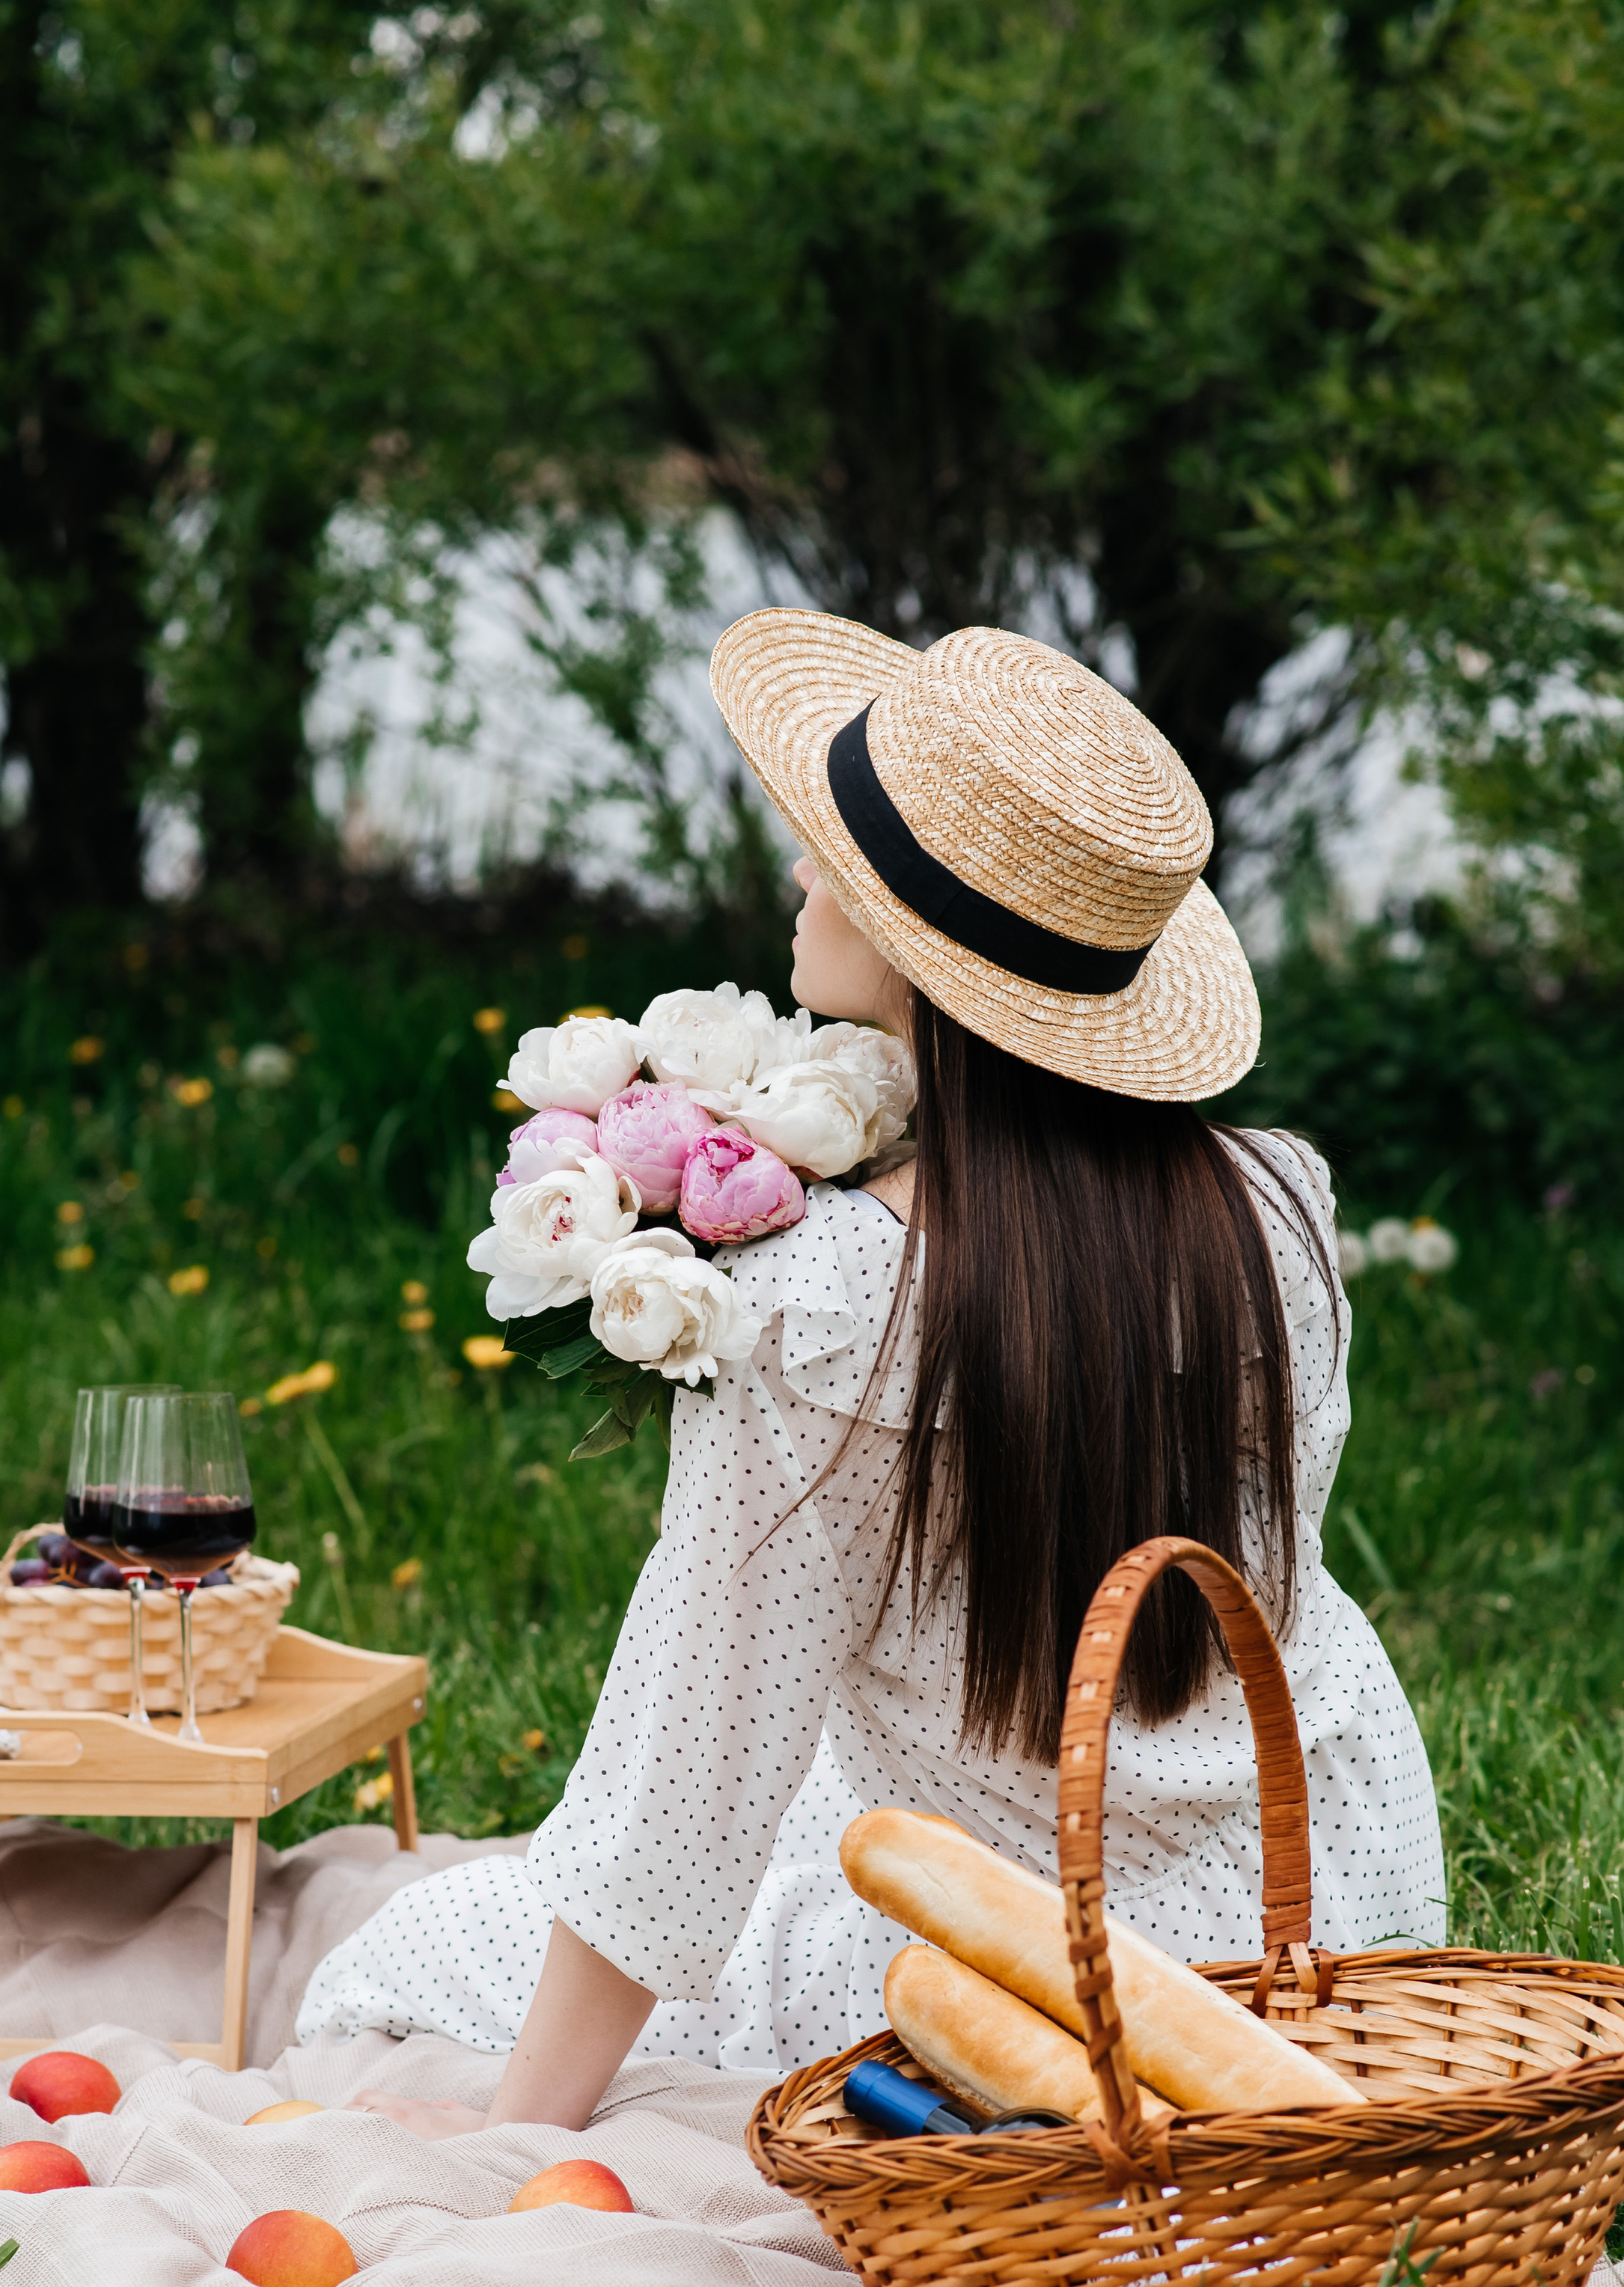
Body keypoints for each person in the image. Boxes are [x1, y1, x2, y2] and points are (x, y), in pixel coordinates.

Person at [297, 610, 1444, 2135]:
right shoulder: (1270, 1216)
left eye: (833, 857)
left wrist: (521, 2143)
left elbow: (685, 1777)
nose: (796, 875)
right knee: (834, 1824)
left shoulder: (825, 1307)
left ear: (926, 960)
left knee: (402, 1958)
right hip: (1332, 1913)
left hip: (1040, 1980)